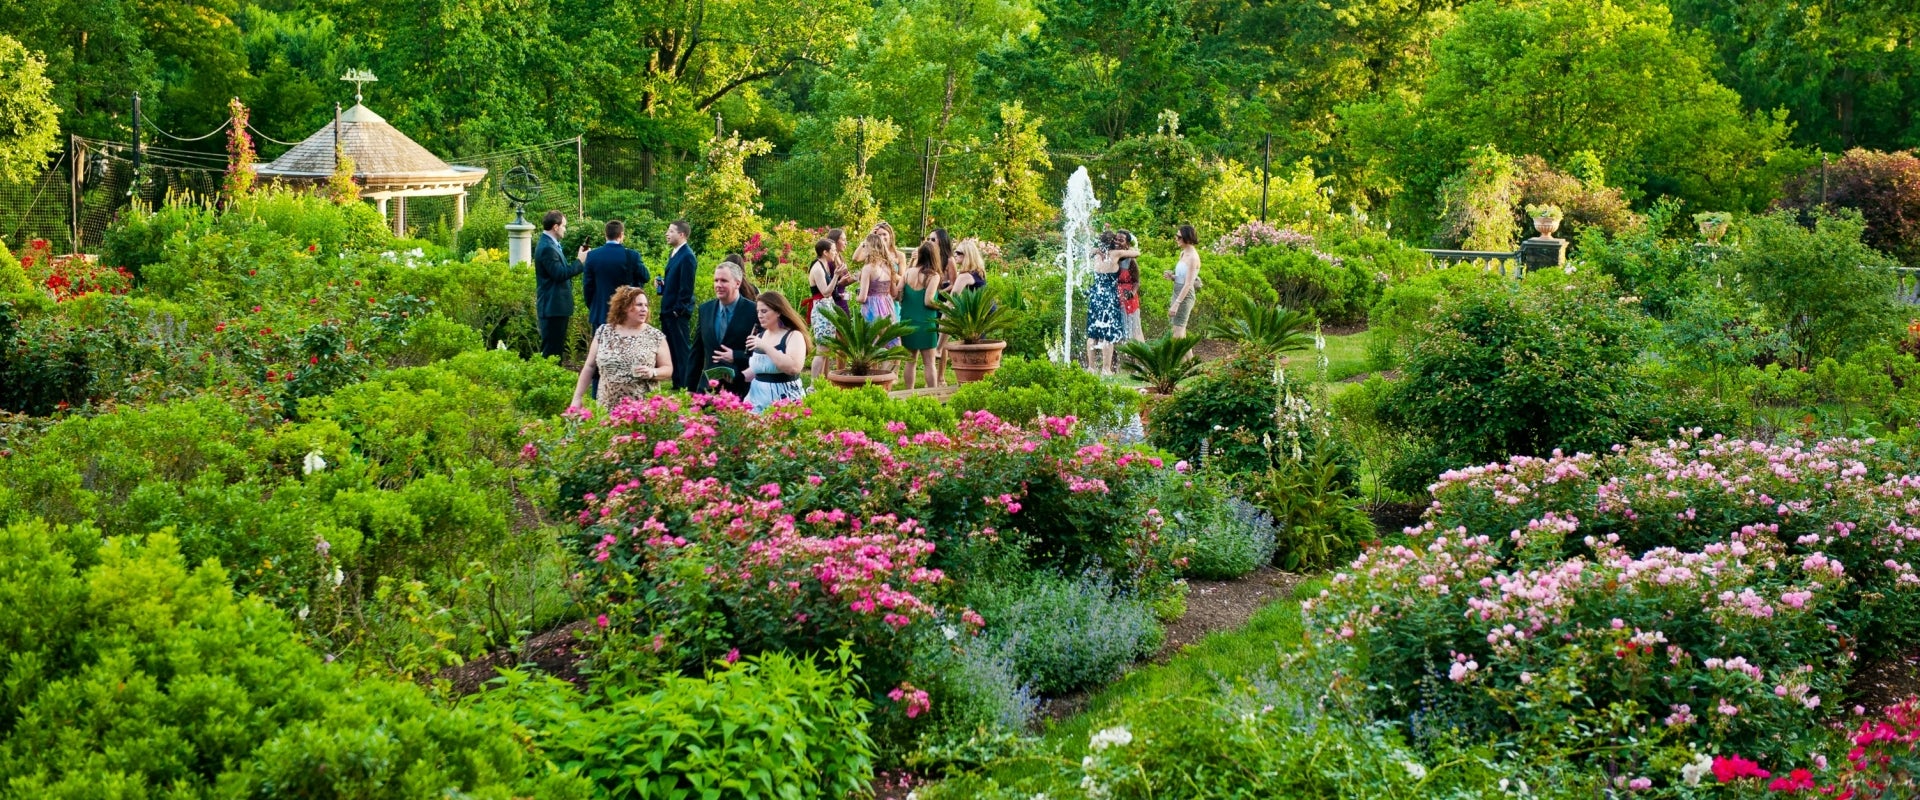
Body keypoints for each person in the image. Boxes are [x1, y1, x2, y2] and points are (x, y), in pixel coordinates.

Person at [570, 286, 673, 410]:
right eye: (639, 305)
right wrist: (577, 397)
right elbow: (589, 367)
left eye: (646, 305)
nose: (644, 309)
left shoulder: (655, 336)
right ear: (624, 307)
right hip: (607, 406)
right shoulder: (604, 332)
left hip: (641, 410)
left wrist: (653, 372)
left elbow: (668, 369)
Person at [692, 260, 755, 397]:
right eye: (716, 280)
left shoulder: (753, 311)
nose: (718, 285)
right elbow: (697, 352)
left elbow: (761, 355)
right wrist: (690, 389)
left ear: (737, 283)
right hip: (709, 389)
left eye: (724, 281)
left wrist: (736, 356)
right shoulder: (705, 310)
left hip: (742, 390)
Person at [534, 210, 590, 360]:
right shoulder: (547, 248)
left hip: (555, 307)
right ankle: (549, 382)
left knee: (555, 350)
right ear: (556, 227)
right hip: (552, 307)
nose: (565, 229)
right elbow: (559, 274)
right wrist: (580, 261)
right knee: (552, 352)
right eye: (564, 226)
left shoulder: (551, 244)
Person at [744, 291, 810, 413]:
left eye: (764, 311)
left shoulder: (793, 335)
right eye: (758, 311)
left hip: (784, 400)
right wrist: (735, 374)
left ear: (778, 312)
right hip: (756, 400)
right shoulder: (760, 335)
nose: (760, 315)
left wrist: (766, 347)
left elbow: (793, 367)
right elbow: (760, 367)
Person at [1086, 231, 1137, 376]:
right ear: (1113, 242)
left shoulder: (1096, 254)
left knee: (1092, 333)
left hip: (1095, 295)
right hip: (1109, 297)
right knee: (1107, 334)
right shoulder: (1115, 254)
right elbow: (1136, 253)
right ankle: (1106, 369)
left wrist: (1096, 249)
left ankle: (1091, 367)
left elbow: (1090, 251)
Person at [583, 220, 649, 330]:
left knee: (601, 346)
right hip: (626, 313)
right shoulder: (632, 255)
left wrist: (594, 306)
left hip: (600, 313)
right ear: (621, 235)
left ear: (605, 235)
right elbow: (645, 276)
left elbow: (588, 286)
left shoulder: (592, 256)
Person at [899, 241, 944, 390]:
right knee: (929, 363)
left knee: (910, 361)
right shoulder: (933, 275)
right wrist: (943, 306)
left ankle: (908, 392)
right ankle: (932, 395)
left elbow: (898, 293)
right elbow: (928, 301)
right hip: (925, 323)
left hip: (907, 321)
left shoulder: (908, 272)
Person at [660, 220, 698, 390]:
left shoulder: (688, 256)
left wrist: (678, 310)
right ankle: (677, 382)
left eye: (671, 231)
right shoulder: (674, 253)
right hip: (668, 309)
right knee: (672, 348)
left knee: (682, 350)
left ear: (681, 235)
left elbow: (686, 287)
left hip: (677, 313)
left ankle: (685, 384)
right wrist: (662, 286)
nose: (667, 234)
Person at [806, 237, 850, 380]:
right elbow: (825, 292)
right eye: (833, 250)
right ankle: (813, 385)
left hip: (827, 308)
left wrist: (840, 290)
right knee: (822, 349)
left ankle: (820, 383)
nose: (836, 253)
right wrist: (836, 275)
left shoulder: (825, 265)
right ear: (825, 252)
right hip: (821, 311)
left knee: (826, 349)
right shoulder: (818, 268)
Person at [856, 231, 899, 346]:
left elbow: (862, 298)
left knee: (872, 344)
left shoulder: (868, 268)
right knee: (887, 342)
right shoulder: (889, 266)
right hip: (887, 305)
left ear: (870, 248)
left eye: (865, 246)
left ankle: (873, 365)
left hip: (872, 307)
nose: (864, 249)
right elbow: (894, 293)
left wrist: (856, 296)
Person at [1168, 224, 1202, 339]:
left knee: (1178, 332)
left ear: (1187, 238)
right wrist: (1172, 276)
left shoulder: (1193, 257)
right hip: (1177, 292)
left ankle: (1176, 357)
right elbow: (1181, 277)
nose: (1176, 239)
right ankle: (1190, 358)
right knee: (1179, 331)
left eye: (1179, 237)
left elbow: (1188, 284)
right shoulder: (1183, 253)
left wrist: (1176, 304)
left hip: (1185, 296)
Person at [1115, 230, 1144, 342]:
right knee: (1117, 331)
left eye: (1121, 240)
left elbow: (1137, 281)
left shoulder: (1130, 260)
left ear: (1127, 244)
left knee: (1133, 330)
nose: (1117, 242)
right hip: (1115, 298)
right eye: (1116, 239)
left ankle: (1139, 357)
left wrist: (1132, 293)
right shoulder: (1111, 256)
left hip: (1128, 298)